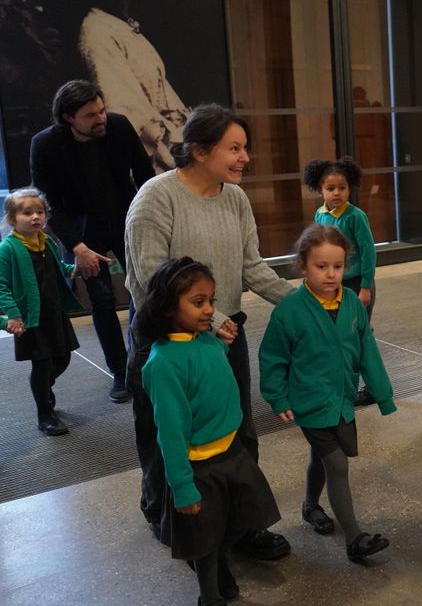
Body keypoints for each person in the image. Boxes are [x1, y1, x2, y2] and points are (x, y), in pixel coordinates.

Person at [124, 103, 294, 560]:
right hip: (166, 338)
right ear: (198, 151)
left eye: (245, 148)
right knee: (172, 434)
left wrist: (303, 304)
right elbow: (148, 278)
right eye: (234, 148)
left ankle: (243, 524)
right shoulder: (156, 198)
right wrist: (212, 320)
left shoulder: (234, 198)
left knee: (235, 429)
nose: (245, 158)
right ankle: (170, 515)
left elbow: (250, 266)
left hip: (224, 335)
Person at [136, 257, 280, 606]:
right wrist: (182, 487)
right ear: (169, 308)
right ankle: (210, 604)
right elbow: (170, 431)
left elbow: (213, 380)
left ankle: (218, 564)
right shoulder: (163, 363)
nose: (210, 309)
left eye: (211, 300)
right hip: (199, 466)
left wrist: (218, 341)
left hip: (231, 453)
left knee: (242, 517)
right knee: (203, 538)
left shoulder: (205, 343)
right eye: (198, 302)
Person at [259, 224, 395, 560]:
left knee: (322, 458)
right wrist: (278, 397)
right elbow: (272, 358)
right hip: (308, 400)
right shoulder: (289, 311)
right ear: (303, 265)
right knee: (336, 463)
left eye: (338, 266)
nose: (331, 274)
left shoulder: (351, 303)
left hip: (341, 399)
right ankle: (354, 539)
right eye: (321, 267)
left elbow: (367, 350)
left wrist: (383, 393)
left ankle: (309, 506)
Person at [29, 79, 154, 403]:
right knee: (101, 301)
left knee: (147, 289)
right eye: (90, 115)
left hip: (126, 219)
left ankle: (145, 361)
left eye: (101, 110)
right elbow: (49, 205)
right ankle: (120, 373)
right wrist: (77, 248)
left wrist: (155, 222)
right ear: (69, 117)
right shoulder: (45, 144)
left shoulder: (118, 126)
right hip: (83, 232)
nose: (101, 118)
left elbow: (145, 177)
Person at [78, 0, 189, 172]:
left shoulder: (125, 27)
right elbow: (125, 109)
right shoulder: (97, 31)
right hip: (147, 157)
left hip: (169, 148)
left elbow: (163, 92)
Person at [0, 189, 81, 436]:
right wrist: (13, 314)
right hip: (30, 317)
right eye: (27, 213)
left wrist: (73, 269)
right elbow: (1, 285)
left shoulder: (47, 241)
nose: (35, 217)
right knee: (42, 364)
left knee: (63, 357)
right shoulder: (8, 248)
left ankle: (44, 387)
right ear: (12, 218)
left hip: (54, 313)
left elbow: (58, 267)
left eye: (40, 211)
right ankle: (45, 416)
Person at [305, 156, 378, 407]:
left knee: (359, 335)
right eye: (330, 188)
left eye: (342, 188)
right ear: (319, 189)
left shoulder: (355, 217)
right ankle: (342, 384)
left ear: (350, 187)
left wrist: (366, 286)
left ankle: (370, 386)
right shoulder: (320, 214)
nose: (337, 193)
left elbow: (369, 252)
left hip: (357, 284)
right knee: (337, 336)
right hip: (333, 285)